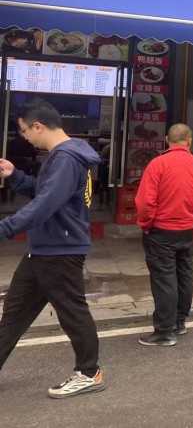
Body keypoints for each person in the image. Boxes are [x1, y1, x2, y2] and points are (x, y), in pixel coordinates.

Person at [0, 99, 104, 399]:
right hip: (43, 249)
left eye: (23, 131)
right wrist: (15, 176)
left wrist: (5, 228)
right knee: (14, 314)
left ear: (37, 126)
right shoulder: (62, 156)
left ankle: (89, 373)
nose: (25, 138)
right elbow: (46, 191)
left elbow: (46, 203)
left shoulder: (66, 158)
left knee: (72, 313)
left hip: (60, 249)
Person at [136, 123, 193, 346]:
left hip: (161, 230)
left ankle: (164, 332)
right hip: (186, 230)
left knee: (164, 278)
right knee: (184, 274)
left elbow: (145, 202)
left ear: (166, 141)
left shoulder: (158, 164)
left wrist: (145, 224)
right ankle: (179, 322)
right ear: (189, 141)